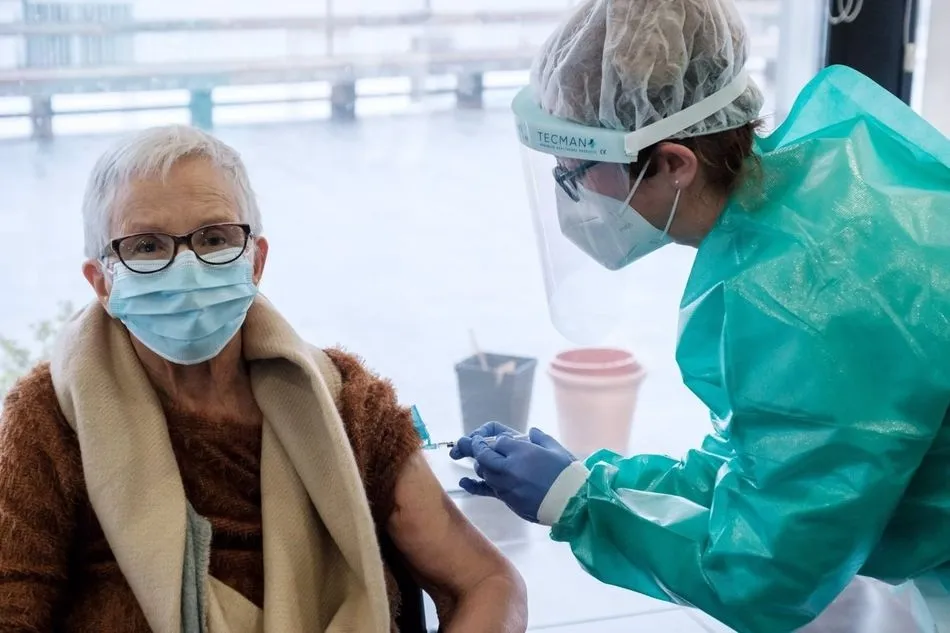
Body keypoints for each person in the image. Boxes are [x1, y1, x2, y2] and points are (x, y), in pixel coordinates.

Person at [451, 0, 950, 631]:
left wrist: (576, 504)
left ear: (673, 164)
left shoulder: (805, 297)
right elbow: (765, 471)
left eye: (576, 173)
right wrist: (594, 479)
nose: (568, 197)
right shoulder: (815, 193)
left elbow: (765, 573)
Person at [0, 125, 528, 632]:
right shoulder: (50, 418)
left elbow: (487, 582)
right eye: (146, 246)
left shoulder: (346, 405)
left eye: (214, 237)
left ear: (255, 261)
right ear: (101, 281)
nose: (186, 269)